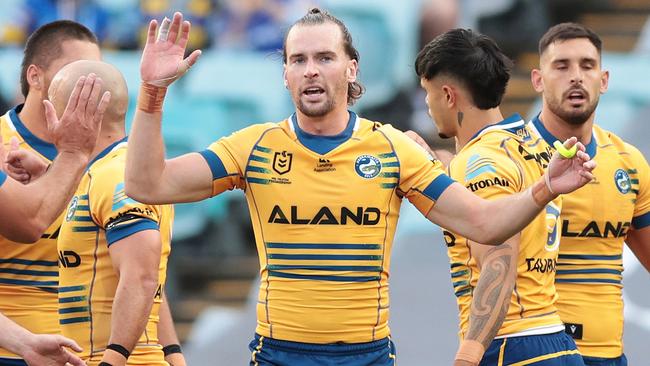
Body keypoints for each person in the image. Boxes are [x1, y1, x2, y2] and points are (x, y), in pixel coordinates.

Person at [125, 10, 594, 365]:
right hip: (277, 354)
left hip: (366, 356)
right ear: (285, 74)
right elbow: (147, 183)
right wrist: (151, 96)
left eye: (325, 57)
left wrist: (543, 189)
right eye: (298, 60)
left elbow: (486, 224)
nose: (311, 69)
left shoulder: (393, 148)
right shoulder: (253, 147)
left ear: (351, 69)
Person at [415, 28, 584, 366]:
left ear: (448, 95)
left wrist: (470, 353)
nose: (427, 105)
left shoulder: (478, 163)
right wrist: (434, 162)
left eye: (427, 93)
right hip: (555, 340)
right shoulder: (533, 145)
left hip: (509, 345)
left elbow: (498, 260)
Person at [30, 59, 180, 366]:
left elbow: (141, 276)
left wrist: (112, 361)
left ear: (77, 111)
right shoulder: (113, 172)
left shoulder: (114, 175)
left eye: (54, 110)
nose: (50, 122)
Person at [529, 22, 650, 366]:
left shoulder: (629, 162)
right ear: (538, 80)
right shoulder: (508, 153)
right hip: (535, 355)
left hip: (608, 355)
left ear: (604, 79)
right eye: (562, 66)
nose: (576, 77)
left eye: (587, 65)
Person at [0, 19, 103, 364]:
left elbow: (136, 263)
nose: (85, 84)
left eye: (93, 74)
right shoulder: (4, 144)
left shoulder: (101, 154)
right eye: (73, 71)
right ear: (35, 76)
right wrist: (72, 157)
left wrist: (172, 352)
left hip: (79, 350)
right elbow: (30, 223)